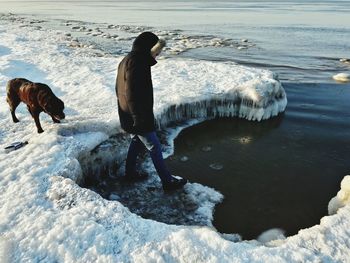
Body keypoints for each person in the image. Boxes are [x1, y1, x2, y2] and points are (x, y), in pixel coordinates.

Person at [116, 32, 187, 191]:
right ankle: (168, 182)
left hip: (127, 113)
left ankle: (130, 173)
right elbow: (131, 93)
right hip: (137, 116)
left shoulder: (126, 60)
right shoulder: (137, 62)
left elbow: (119, 90)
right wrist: (138, 118)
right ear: (148, 48)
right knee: (155, 147)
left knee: (136, 141)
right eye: (156, 52)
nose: (157, 55)